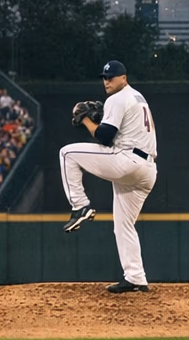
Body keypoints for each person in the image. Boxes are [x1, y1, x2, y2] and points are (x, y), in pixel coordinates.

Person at [58, 60, 159, 293]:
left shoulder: (117, 97)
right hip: (147, 171)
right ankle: (136, 278)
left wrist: (85, 120)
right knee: (123, 225)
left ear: (124, 77)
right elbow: (115, 134)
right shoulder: (137, 97)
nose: (106, 81)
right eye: (104, 77)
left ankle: (80, 206)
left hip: (127, 161)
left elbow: (104, 137)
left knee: (67, 154)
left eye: (111, 77)